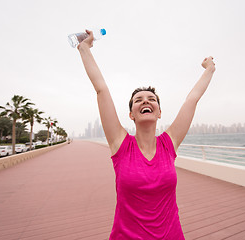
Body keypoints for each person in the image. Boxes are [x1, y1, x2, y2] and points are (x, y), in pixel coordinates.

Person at [77, 30, 215, 239]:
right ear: (131, 114)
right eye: (138, 100)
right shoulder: (120, 144)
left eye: (151, 99)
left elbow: (192, 99)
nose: (145, 101)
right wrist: (84, 48)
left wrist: (209, 69)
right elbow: (101, 90)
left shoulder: (169, 143)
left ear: (159, 112)